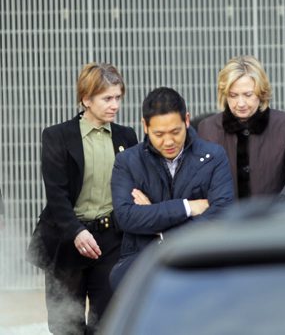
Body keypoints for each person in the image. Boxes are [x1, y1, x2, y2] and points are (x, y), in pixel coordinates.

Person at [26, 63, 138, 334]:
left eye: (118, 98)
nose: (115, 105)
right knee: (66, 325)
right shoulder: (57, 136)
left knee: (109, 321)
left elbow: (133, 184)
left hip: (110, 241)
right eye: (107, 98)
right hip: (66, 239)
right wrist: (76, 232)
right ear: (86, 99)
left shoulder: (126, 136)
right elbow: (56, 193)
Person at [109, 86, 234, 288]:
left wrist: (160, 228)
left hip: (200, 264)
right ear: (145, 126)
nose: (168, 141)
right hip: (142, 267)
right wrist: (187, 207)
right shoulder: (127, 162)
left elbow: (221, 215)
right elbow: (126, 216)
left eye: (175, 132)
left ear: (186, 120)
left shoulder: (214, 157)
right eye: (159, 134)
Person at [197, 55, 285, 199]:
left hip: (275, 218)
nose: (241, 103)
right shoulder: (208, 129)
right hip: (224, 218)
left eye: (248, 95)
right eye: (233, 95)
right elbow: (199, 182)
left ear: (261, 92)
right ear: (224, 95)